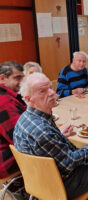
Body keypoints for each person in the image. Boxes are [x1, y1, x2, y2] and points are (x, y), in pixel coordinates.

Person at [13, 72, 88, 199]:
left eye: (50, 87)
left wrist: (59, 135)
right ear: (28, 99)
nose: (51, 93)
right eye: (42, 91)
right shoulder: (43, 131)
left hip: (38, 181)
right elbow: (70, 162)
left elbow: (43, 146)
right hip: (62, 185)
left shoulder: (23, 119)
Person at [0, 61, 28, 199]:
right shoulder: (5, 103)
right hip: (5, 162)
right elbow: (21, 139)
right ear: (2, 78)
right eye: (17, 77)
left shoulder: (7, 96)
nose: (21, 81)